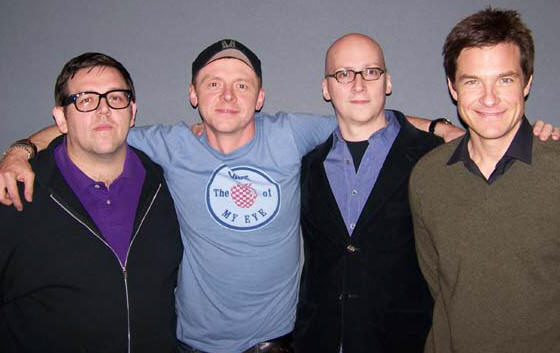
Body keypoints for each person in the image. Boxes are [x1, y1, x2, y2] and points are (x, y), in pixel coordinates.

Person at [0, 39, 554, 353]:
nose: (227, 93)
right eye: (213, 82)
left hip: (282, 343)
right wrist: (21, 149)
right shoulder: (166, 143)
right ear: (193, 95)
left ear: (260, 96)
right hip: (194, 344)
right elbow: (96, 122)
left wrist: (448, 128)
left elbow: (366, 117)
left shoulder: (292, 133)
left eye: (241, 83)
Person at [0, 52, 182, 352]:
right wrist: (19, 150)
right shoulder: (17, 192)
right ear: (61, 117)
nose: (103, 110)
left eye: (116, 98)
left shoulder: (165, 183)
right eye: (85, 100)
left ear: (132, 111)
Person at [409, 8, 560, 353]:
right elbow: (439, 284)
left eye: (505, 79)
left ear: (528, 83)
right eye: (473, 81)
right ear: (452, 87)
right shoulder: (427, 178)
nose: (489, 98)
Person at [295, 33, 440, 353]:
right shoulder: (306, 166)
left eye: (371, 72)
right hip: (319, 341)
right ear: (326, 88)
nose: (358, 84)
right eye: (344, 74)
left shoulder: (433, 157)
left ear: (387, 82)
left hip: (406, 342)